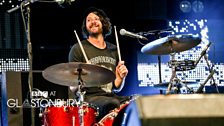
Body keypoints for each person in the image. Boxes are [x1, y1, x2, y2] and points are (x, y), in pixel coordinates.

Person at [68, 7, 130, 122]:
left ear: (103, 23)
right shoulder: (78, 49)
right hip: (90, 98)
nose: (92, 22)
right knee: (112, 103)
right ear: (86, 26)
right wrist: (79, 78)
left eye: (96, 19)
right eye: (89, 20)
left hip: (110, 96)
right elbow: (72, 88)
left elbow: (116, 86)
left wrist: (121, 77)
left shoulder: (113, 49)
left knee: (135, 102)